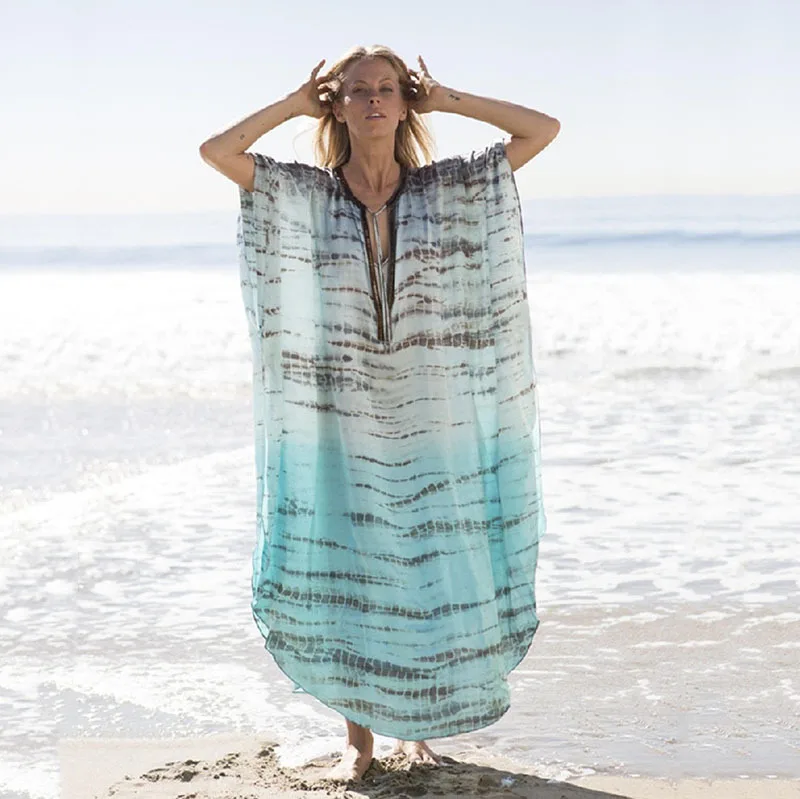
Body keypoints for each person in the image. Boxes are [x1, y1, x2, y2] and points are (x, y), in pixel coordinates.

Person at [199, 44, 559, 783]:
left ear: (404, 103)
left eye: (387, 89)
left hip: (434, 411)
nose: (372, 100)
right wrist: (293, 104)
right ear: (335, 105)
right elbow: (217, 151)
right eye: (357, 90)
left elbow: (541, 130)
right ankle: (359, 738)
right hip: (338, 412)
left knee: (431, 560)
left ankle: (416, 725)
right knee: (351, 565)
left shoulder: (450, 188)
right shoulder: (303, 193)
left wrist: (448, 97)